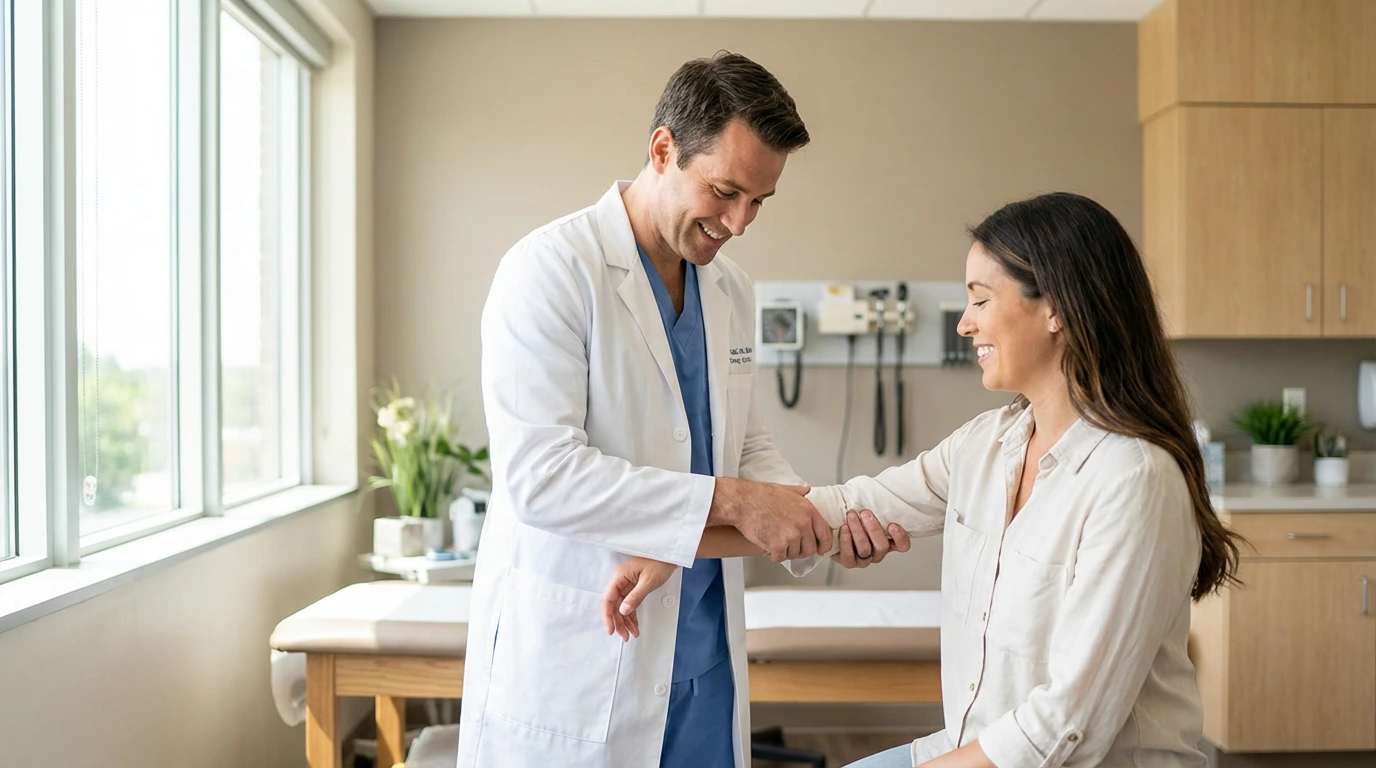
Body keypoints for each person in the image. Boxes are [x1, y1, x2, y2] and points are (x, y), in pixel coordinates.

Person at [604, 192, 1243, 768]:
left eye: (980, 299)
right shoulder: (988, 446)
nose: (964, 322)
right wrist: (676, 542)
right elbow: (840, 510)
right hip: (968, 751)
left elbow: (1069, 724)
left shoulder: (1132, 479)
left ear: (1056, 307)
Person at [458, 51, 909, 768]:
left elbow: (749, 446)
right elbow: (540, 478)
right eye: (725, 191)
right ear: (662, 149)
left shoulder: (730, 291)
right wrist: (738, 502)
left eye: (759, 201)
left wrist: (809, 519)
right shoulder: (550, 271)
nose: (739, 222)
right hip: (587, 658)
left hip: (703, 661)